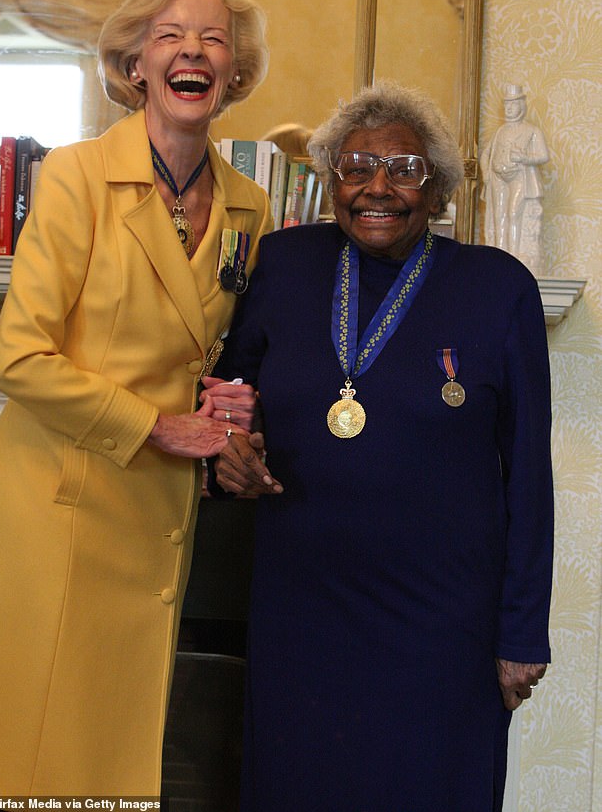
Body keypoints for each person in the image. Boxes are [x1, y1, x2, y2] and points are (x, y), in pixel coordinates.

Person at [0, 0, 273, 797]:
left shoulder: (250, 205)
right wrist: (161, 425)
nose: (194, 51)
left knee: (117, 749)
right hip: (61, 510)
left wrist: (225, 398)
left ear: (234, 71)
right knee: (35, 755)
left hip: (157, 515)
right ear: (134, 63)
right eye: (170, 35)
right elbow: (21, 357)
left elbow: (205, 348)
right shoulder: (73, 178)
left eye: (214, 38)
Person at [213, 80, 554, 811]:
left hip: (442, 629)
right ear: (331, 178)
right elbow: (228, 395)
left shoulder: (499, 289)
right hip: (300, 616)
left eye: (404, 169)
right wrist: (228, 450)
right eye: (356, 165)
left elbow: (527, 473)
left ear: (438, 192)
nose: (377, 187)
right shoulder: (282, 266)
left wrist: (522, 630)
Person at [480, 83, 550, 273]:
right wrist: (486, 173)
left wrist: (524, 158)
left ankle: (513, 258)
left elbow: (544, 156)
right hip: (498, 179)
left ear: (521, 105)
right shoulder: (499, 132)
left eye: (513, 105)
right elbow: (485, 155)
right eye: (507, 106)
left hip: (519, 177)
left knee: (514, 213)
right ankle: (499, 257)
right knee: (499, 215)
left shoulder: (531, 131)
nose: (510, 109)